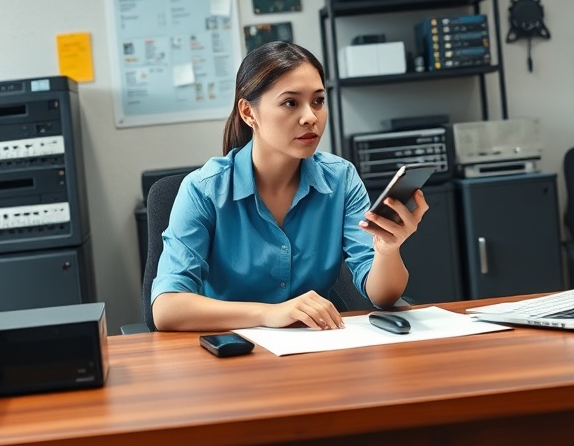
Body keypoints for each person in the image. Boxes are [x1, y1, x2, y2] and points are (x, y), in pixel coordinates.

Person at [150, 41, 428, 332]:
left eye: (318, 101)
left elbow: (383, 296)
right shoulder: (203, 189)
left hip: (317, 344)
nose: (311, 117)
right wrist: (268, 313)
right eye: (290, 103)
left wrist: (387, 250)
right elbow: (167, 308)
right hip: (233, 347)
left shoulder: (341, 179)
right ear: (248, 113)